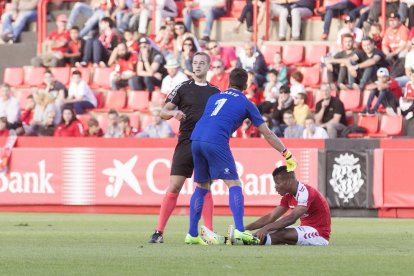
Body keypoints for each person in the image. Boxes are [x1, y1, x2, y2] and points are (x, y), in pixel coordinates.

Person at [186, 68, 297, 245]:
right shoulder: (246, 103)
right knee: (234, 184)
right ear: (245, 85)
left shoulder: (214, 98)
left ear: (228, 82)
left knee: (202, 185)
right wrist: (286, 152)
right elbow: (267, 134)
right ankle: (239, 230)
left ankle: (191, 234)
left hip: (196, 138)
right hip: (216, 139)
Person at [148, 52, 221, 244]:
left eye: (201, 63)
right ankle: (159, 232)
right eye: (195, 63)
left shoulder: (215, 92)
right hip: (186, 142)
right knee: (174, 185)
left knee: (204, 186)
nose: (197, 66)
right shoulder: (182, 87)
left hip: (205, 143)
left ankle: (209, 231)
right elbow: (163, 112)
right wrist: (174, 112)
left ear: (208, 66)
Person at [243, 166, 331, 246]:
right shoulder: (288, 196)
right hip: (305, 229)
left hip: (319, 234)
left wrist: (266, 228)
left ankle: (253, 241)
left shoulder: (305, 192)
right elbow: (271, 217)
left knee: (280, 233)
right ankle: (250, 238)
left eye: (277, 183)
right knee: (272, 231)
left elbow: (292, 218)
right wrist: (245, 229)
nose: (275, 187)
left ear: (288, 182)